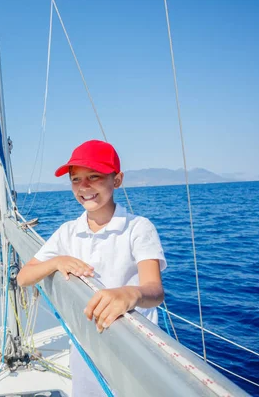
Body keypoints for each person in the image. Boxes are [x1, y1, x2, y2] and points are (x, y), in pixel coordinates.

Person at [16, 139, 166, 397]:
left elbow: (155, 290)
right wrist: (55, 261)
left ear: (116, 180)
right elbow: (23, 277)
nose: (83, 187)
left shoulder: (138, 228)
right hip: (85, 346)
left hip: (133, 348)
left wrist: (131, 294)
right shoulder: (68, 232)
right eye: (76, 179)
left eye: (94, 176)